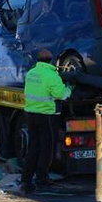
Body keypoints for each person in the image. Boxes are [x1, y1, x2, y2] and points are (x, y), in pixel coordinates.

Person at [21, 49, 71, 194]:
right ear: (51, 60)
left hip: (30, 114)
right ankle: (42, 179)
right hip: (46, 116)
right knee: (46, 149)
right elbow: (60, 95)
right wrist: (69, 90)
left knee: (33, 148)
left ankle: (26, 179)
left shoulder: (31, 73)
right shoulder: (51, 75)